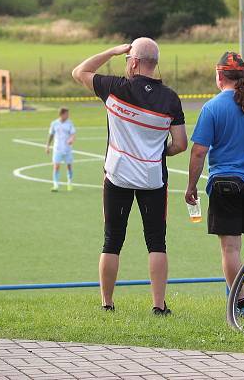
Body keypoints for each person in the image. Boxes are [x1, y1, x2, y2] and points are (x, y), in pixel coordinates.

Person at [71, 38, 188, 315]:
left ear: (133, 62)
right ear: (154, 63)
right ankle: (159, 306)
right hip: (152, 178)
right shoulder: (170, 98)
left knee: (112, 240)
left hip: (117, 176)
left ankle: (107, 303)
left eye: (127, 59)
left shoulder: (115, 89)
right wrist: (161, 154)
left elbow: (79, 72)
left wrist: (112, 51)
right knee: (156, 241)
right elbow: (181, 144)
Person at [185, 52, 244, 319]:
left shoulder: (213, 107)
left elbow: (198, 152)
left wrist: (191, 186)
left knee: (231, 249)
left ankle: (241, 306)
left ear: (219, 76)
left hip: (224, 185)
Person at [46, 107, 76, 192]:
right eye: (67, 114)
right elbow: (51, 135)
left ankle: (69, 182)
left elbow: (73, 134)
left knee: (69, 166)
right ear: (62, 114)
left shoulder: (70, 123)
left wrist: (71, 139)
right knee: (56, 166)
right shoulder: (54, 123)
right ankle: (56, 185)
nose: (68, 115)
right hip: (57, 149)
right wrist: (47, 146)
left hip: (67, 149)